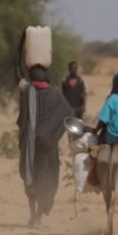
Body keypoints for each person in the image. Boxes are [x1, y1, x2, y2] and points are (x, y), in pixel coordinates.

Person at [17, 65, 75, 226]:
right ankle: (38, 216)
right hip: (48, 147)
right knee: (48, 179)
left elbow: (21, 119)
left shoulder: (27, 93)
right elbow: (69, 113)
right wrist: (53, 132)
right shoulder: (56, 94)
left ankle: (32, 215)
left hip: (30, 146)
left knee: (31, 179)